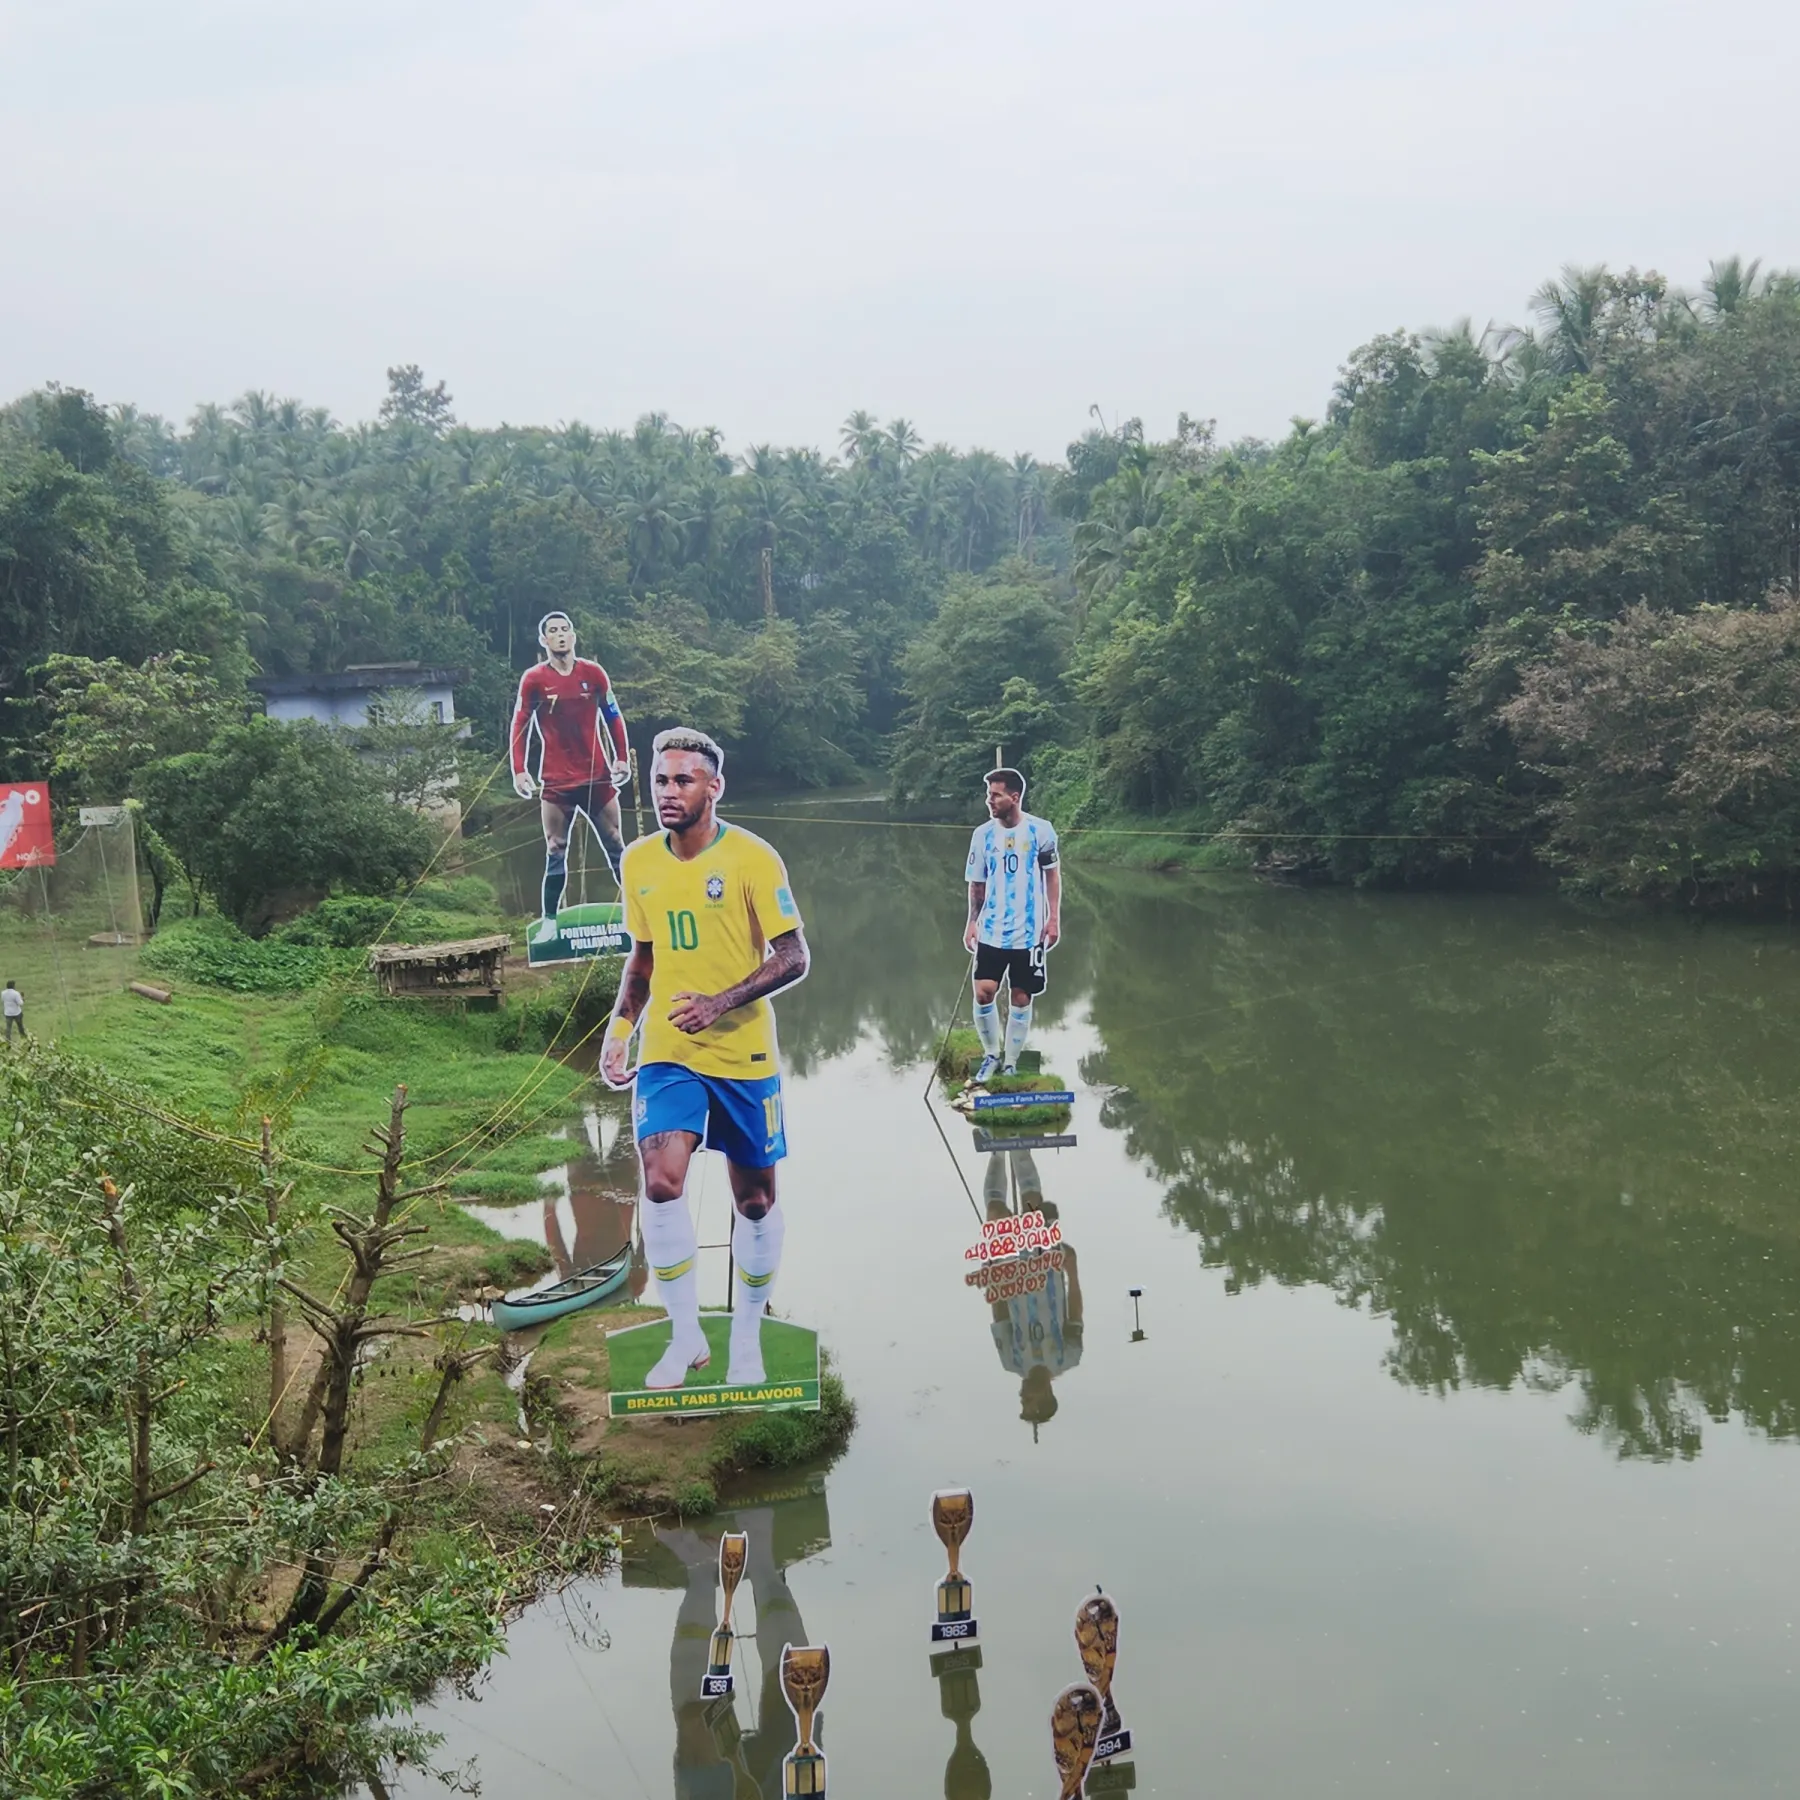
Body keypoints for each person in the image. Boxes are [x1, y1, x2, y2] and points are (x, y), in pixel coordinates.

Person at [600, 727, 810, 1390]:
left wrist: (720, 1002)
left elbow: (794, 955)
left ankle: (746, 1336)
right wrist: (620, 1028)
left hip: (743, 1050)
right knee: (661, 1180)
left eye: (683, 780)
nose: (668, 791)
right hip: (669, 1050)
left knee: (754, 1201)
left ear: (713, 788)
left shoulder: (752, 858)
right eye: (660, 780)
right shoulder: (637, 861)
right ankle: (685, 1334)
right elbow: (644, 956)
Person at [509, 610, 632, 929]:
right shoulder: (534, 679)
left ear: (574, 636)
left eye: (565, 629)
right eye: (553, 630)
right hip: (557, 781)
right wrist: (519, 769)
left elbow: (613, 715)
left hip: (597, 777)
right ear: (544, 639)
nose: (561, 635)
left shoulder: (593, 674)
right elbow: (520, 723)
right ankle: (549, 922)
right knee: (555, 848)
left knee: (616, 843)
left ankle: (639, 912)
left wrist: (621, 757)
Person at [962, 767, 1060, 1085]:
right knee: (983, 993)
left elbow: (1052, 875)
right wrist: (971, 923)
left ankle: (1012, 1062)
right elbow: (977, 884)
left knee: (1021, 997)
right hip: (991, 931)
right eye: (988, 794)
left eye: (995, 794)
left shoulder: (1041, 831)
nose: (989, 800)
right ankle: (991, 1054)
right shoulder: (982, 835)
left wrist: (1053, 918)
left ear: (1014, 797)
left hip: (1029, 934)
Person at [2, 978, 23, 1046]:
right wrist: (22, 998)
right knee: (20, 1026)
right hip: (16, 1012)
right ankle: (24, 1038)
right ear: (13, 986)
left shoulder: (3, 993)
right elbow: (20, 1003)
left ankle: (7, 1041)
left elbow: (3, 1000)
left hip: (8, 1013)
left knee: (8, 1028)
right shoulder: (16, 993)